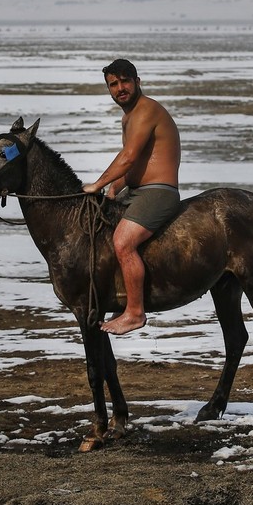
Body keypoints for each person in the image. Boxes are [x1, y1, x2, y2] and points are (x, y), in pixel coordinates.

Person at [82, 59, 181, 334]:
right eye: (113, 84)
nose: (120, 88)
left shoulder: (146, 110)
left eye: (125, 81)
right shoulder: (129, 117)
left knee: (123, 242)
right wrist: (114, 189)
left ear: (138, 82)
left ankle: (136, 313)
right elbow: (137, 163)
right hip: (136, 191)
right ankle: (120, 296)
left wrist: (99, 183)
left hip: (158, 192)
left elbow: (127, 158)